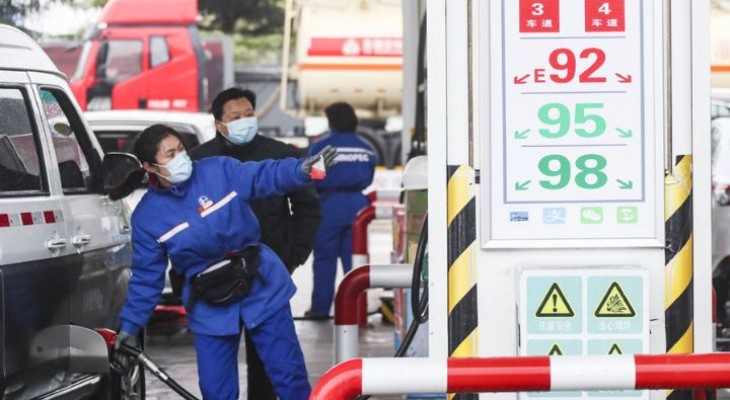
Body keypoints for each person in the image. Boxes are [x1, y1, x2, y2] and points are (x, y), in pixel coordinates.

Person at [113, 124, 337, 400]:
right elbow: (147, 278)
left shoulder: (218, 170)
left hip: (260, 282)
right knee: (216, 389)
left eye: (181, 149)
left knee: (289, 375)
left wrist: (300, 170)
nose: (180, 157)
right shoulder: (148, 217)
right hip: (209, 301)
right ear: (150, 167)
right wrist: (130, 326)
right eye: (170, 154)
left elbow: (263, 175)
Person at [190, 87, 321, 399]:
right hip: (214, 282)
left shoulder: (281, 154)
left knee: (272, 366)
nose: (244, 121)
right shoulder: (199, 161)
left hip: (267, 275)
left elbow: (308, 208)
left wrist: (293, 257)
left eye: (248, 114)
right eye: (235, 117)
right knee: (217, 371)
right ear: (219, 124)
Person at [306, 102, 376, 319]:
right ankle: (357, 310)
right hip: (358, 208)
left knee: (324, 260)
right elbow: (369, 177)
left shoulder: (322, 147)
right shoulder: (366, 148)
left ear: (331, 122)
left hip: (329, 206)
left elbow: (313, 177)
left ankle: (320, 309)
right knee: (355, 261)